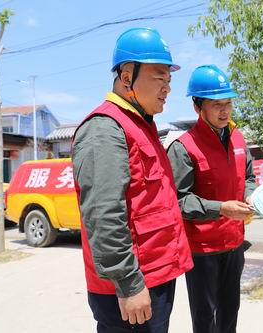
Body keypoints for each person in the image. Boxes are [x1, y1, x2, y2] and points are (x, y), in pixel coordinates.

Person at [72, 27, 193, 333]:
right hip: (133, 288)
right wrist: (128, 283)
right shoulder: (105, 129)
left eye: (169, 79)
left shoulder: (142, 127)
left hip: (155, 276)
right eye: (159, 76)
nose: (167, 87)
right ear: (127, 77)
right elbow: (103, 214)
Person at [167, 64, 256, 333]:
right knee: (206, 320)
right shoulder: (184, 147)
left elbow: (249, 177)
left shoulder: (238, 139)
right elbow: (179, 200)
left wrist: (251, 195)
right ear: (198, 107)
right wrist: (221, 209)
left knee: (230, 313)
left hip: (234, 243)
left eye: (228, 103)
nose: (225, 110)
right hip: (202, 250)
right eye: (217, 105)